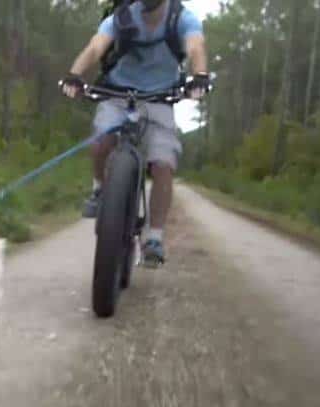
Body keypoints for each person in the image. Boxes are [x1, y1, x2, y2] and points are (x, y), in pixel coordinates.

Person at [60, 0, 210, 266]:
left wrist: (199, 76)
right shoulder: (122, 17)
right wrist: (74, 74)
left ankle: (154, 238)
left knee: (164, 164)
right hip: (117, 93)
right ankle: (98, 189)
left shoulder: (181, 18)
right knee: (101, 140)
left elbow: (195, 46)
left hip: (160, 98)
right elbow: (96, 47)